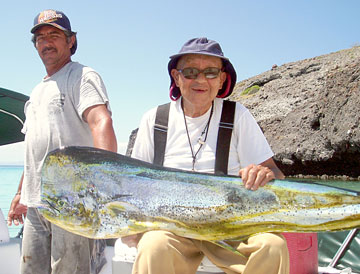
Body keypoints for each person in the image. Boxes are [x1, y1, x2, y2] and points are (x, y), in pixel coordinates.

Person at [127, 37, 289, 274]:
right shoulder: (154, 119)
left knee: (272, 246)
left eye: (211, 72)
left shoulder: (238, 116)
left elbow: (276, 174)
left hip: (231, 226)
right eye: (191, 72)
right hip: (172, 228)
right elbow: (134, 184)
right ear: (176, 77)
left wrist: (264, 175)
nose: (201, 80)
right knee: (153, 246)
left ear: (222, 78)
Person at [7, 9, 117, 274]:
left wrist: (101, 181)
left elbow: (101, 122)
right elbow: (36, 149)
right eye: (40, 37)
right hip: (36, 205)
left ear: (71, 40)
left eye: (54, 35)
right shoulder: (36, 91)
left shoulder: (82, 76)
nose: (46, 42)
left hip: (72, 203)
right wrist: (21, 194)